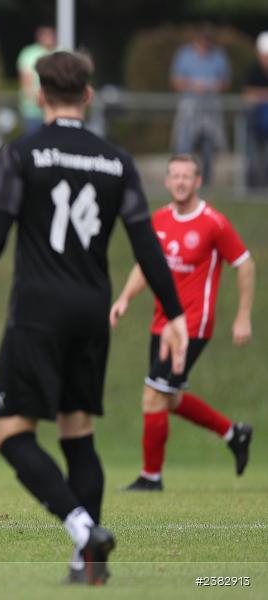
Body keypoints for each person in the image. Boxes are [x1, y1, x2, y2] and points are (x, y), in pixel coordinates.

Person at [0, 52, 188, 585]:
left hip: (40, 309)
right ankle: (91, 565)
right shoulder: (117, 161)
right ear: (89, 96)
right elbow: (147, 242)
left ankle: (83, 531)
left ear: (39, 96)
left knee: (13, 434)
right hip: (91, 311)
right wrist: (174, 313)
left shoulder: (23, 153)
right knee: (78, 434)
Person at [110, 155, 255, 491]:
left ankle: (151, 477)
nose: (179, 182)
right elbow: (146, 265)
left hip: (193, 324)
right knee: (168, 398)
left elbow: (245, 265)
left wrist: (243, 316)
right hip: (162, 324)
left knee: (152, 395)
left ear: (198, 181)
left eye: (186, 177)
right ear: (166, 181)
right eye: (174, 176)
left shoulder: (213, 223)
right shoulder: (159, 220)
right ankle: (234, 433)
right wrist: (124, 299)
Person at [170, 25, 230, 186]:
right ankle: (182, 179)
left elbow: (225, 83)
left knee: (209, 146)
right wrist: (192, 85)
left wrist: (213, 86)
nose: (205, 41)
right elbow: (175, 81)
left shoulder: (218, 56)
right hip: (190, 105)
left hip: (210, 106)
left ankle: (205, 182)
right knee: (184, 145)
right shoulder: (184, 54)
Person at [16, 25, 57, 133]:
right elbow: (26, 80)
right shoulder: (29, 53)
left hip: (55, 109)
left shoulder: (61, 51)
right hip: (34, 110)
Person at [244, 32, 268, 189]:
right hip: (254, 121)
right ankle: (252, 190)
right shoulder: (253, 70)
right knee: (252, 158)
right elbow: (247, 94)